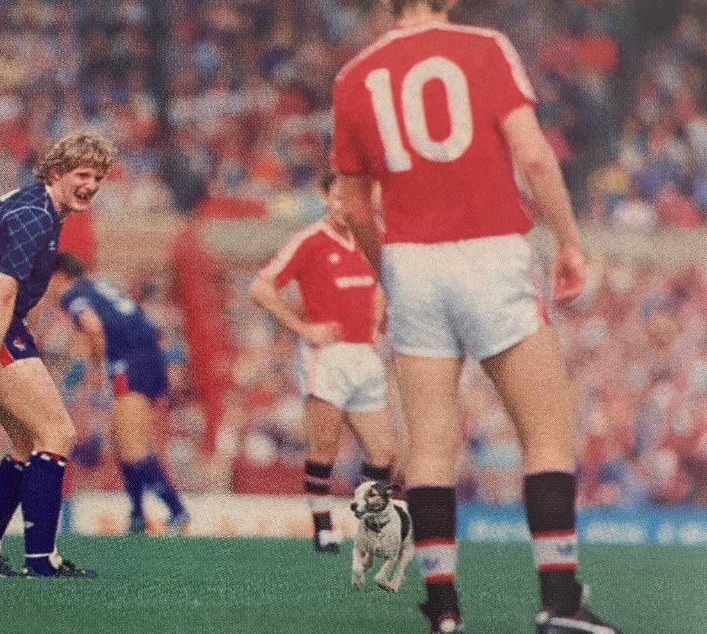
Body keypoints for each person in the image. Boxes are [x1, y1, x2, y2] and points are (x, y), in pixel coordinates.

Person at [330, 1, 620, 633]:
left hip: (411, 260)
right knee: (544, 431)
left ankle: (443, 611)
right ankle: (560, 604)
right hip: (490, 249)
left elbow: (352, 204)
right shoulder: (485, 47)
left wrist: (390, 276)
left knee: (430, 444)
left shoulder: (354, 76)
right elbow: (535, 158)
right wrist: (570, 243)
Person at [0, 133, 115, 578]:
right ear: (56, 173)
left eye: (97, 176)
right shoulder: (36, 215)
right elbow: (1, 296)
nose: (91, 184)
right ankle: (41, 559)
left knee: (26, 443)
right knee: (57, 431)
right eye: (82, 174)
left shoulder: (40, 207)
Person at [250, 172, 397, 555]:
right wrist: (303, 328)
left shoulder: (372, 237)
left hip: (365, 353)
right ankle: (323, 527)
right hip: (327, 355)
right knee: (325, 446)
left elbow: (382, 285)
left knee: (384, 452)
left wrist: (378, 326)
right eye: (338, 196)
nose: (345, 205)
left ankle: (369, 526)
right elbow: (261, 287)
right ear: (325, 198)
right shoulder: (310, 240)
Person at [49, 253, 190, 535]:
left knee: (132, 446)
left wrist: (97, 368)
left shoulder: (72, 294)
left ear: (59, 276)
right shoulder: (99, 287)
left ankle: (176, 511)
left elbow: (92, 327)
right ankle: (137, 515)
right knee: (119, 441)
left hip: (129, 363)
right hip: (146, 358)